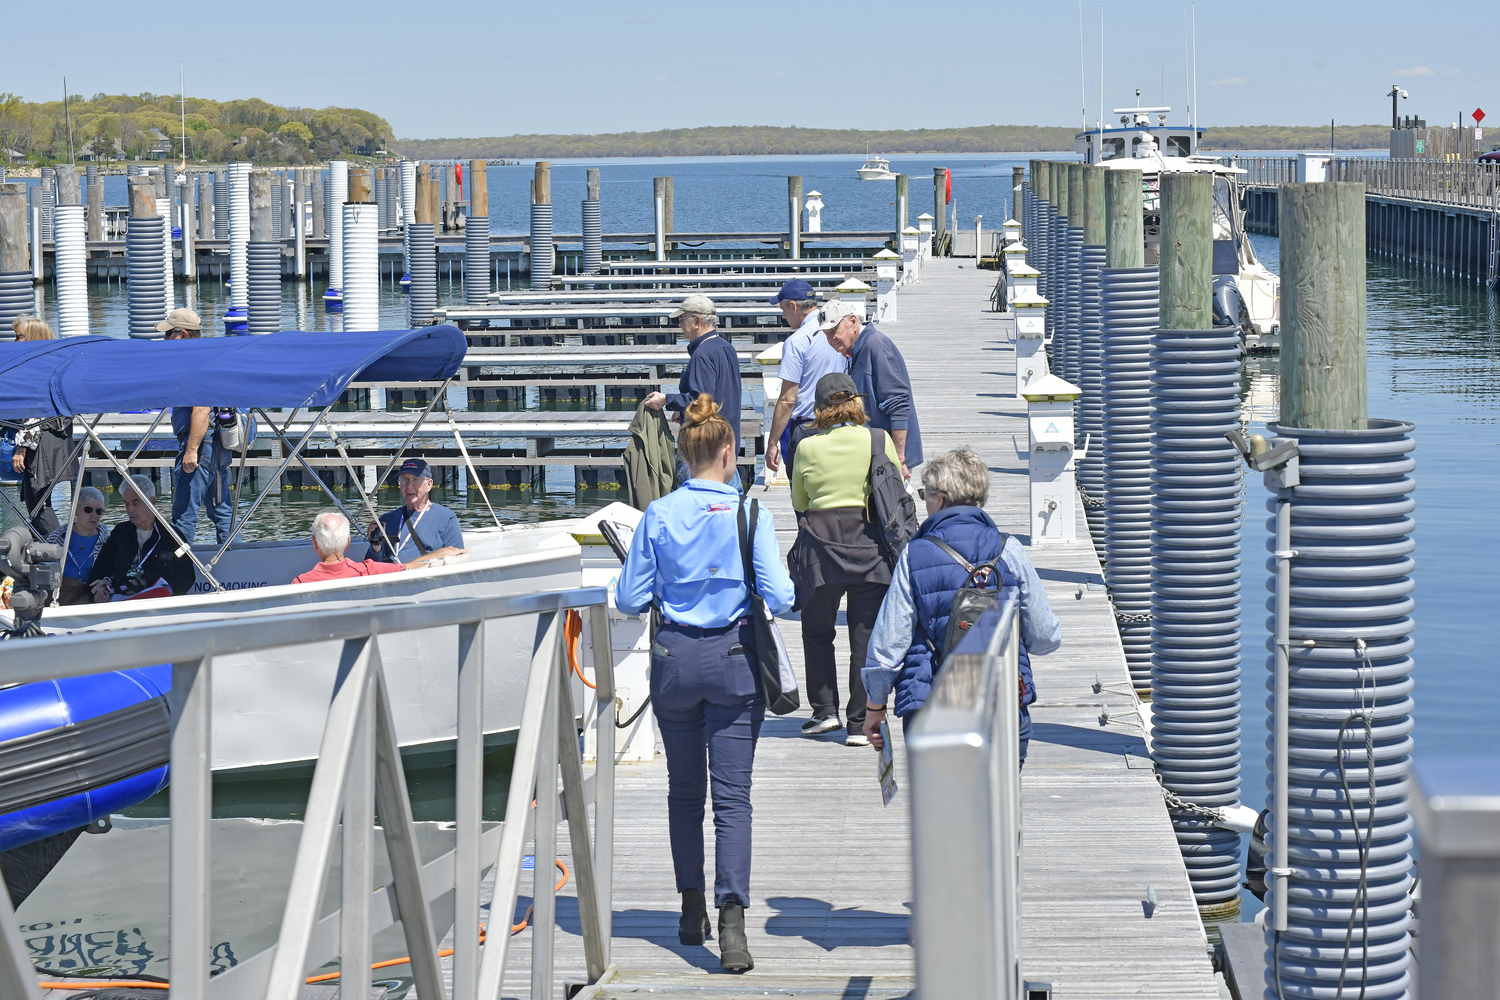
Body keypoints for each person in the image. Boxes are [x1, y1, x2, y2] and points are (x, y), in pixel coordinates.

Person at [614, 393, 795, 973]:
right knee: (733, 799)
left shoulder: (660, 515)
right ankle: (733, 923)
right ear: (728, 451)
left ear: (684, 456)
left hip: (674, 660)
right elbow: (783, 597)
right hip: (735, 658)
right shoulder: (749, 514)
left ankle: (690, 906)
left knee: (685, 792)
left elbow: (627, 598)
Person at [861, 447, 1060, 764]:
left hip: (932, 708)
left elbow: (888, 646)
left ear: (939, 500)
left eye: (926, 493)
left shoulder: (914, 556)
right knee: (997, 809)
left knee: (942, 809)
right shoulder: (1010, 550)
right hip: (1002, 702)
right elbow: (1046, 636)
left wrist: (875, 706)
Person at [786, 373, 902, 747]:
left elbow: (799, 503)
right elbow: (895, 492)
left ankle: (824, 712)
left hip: (821, 549)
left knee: (817, 631)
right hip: (870, 546)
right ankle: (858, 723)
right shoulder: (878, 439)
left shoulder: (805, 445)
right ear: (856, 403)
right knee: (865, 637)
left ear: (819, 408)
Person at [642, 295, 742, 488]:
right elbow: (721, 394)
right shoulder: (726, 347)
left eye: (682, 320)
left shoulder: (702, 355)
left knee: (694, 506)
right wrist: (683, 410)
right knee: (731, 504)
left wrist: (666, 399)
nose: (680, 325)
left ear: (697, 321)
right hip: (726, 442)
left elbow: (700, 400)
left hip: (701, 450)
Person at [820, 301, 924, 480]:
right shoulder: (856, 349)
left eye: (834, 331)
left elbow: (898, 404)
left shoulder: (876, 346)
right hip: (875, 452)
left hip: (889, 458)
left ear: (853, 321)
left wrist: (899, 459)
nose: (831, 339)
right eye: (826, 334)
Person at [160, 308, 236, 546]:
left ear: (182, 334)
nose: (164, 340)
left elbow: (202, 409)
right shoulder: (209, 357)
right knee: (221, 511)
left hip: (201, 444)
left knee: (183, 514)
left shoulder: (194, 364)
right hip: (217, 445)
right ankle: (237, 563)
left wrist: (191, 450)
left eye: (168, 334)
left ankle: (178, 574)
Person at [763, 280, 847, 480]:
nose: (783, 316)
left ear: (793, 306)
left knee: (805, 503)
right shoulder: (838, 332)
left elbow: (787, 400)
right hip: (841, 423)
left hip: (809, 429)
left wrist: (772, 443)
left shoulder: (797, 341)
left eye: (783, 309)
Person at [10, 317, 75, 535]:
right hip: (52, 443)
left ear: (33, 338)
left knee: (38, 505)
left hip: (41, 447)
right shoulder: (52, 364)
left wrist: (22, 448)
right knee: (37, 504)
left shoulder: (36, 368)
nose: (15, 341)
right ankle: (53, 550)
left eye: (20, 336)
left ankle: (57, 553)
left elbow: (34, 411)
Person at [87, 474, 196, 601]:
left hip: (159, 603)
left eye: (135, 503)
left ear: (152, 501)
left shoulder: (172, 535)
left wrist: (147, 582)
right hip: (120, 600)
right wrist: (100, 589)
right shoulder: (120, 532)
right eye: (126, 504)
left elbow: (187, 578)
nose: (130, 509)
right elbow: (98, 573)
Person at [295, 510, 462, 584]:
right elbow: (411, 567)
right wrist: (442, 553)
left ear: (314, 543)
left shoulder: (300, 582)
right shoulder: (369, 570)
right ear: (348, 542)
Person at [367, 459, 464, 564]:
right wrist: (375, 546)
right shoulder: (387, 520)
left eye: (415, 480)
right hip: (392, 576)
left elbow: (458, 556)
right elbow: (371, 566)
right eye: (405, 480)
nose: (409, 486)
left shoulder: (446, 518)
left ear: (429, 485)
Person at [45, 486, 111, 605]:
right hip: (60, 596)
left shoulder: (108, 541)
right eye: (88, 509)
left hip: (91, 596)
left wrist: (106, 583)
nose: (94, 515)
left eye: (99, 511)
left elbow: (113, 573)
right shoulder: (56, 538)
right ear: (75, 509)